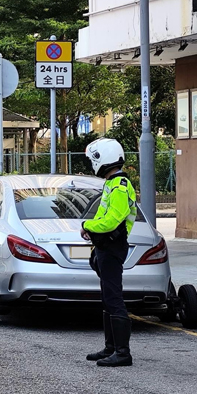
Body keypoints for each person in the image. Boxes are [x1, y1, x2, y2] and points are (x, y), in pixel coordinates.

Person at [81, 138, 136, 367]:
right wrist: (91, 230)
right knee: (107, 298)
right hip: (105, 246)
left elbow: (112, 220)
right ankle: (111, 348)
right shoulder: (111, 184)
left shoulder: (120, 186)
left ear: (102, 158)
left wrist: (87, 226)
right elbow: (103, 216)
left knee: (114, 299)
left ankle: (123, 353)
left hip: (113, 247)